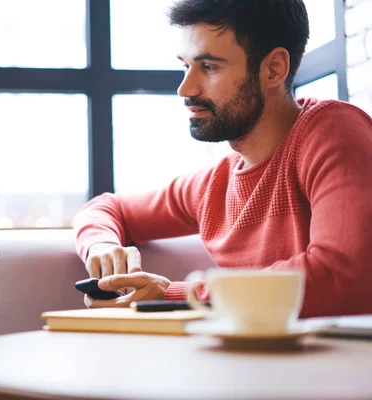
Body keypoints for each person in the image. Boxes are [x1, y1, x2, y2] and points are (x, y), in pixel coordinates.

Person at [74, 0, 372, 318]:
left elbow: (339, 276)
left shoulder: (335, 132)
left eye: (209, 67)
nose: (185, 88)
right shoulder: (215, 185)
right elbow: (107, 208)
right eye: (185, 66)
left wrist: (178, 294)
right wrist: (102, 248)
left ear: (273, 68)